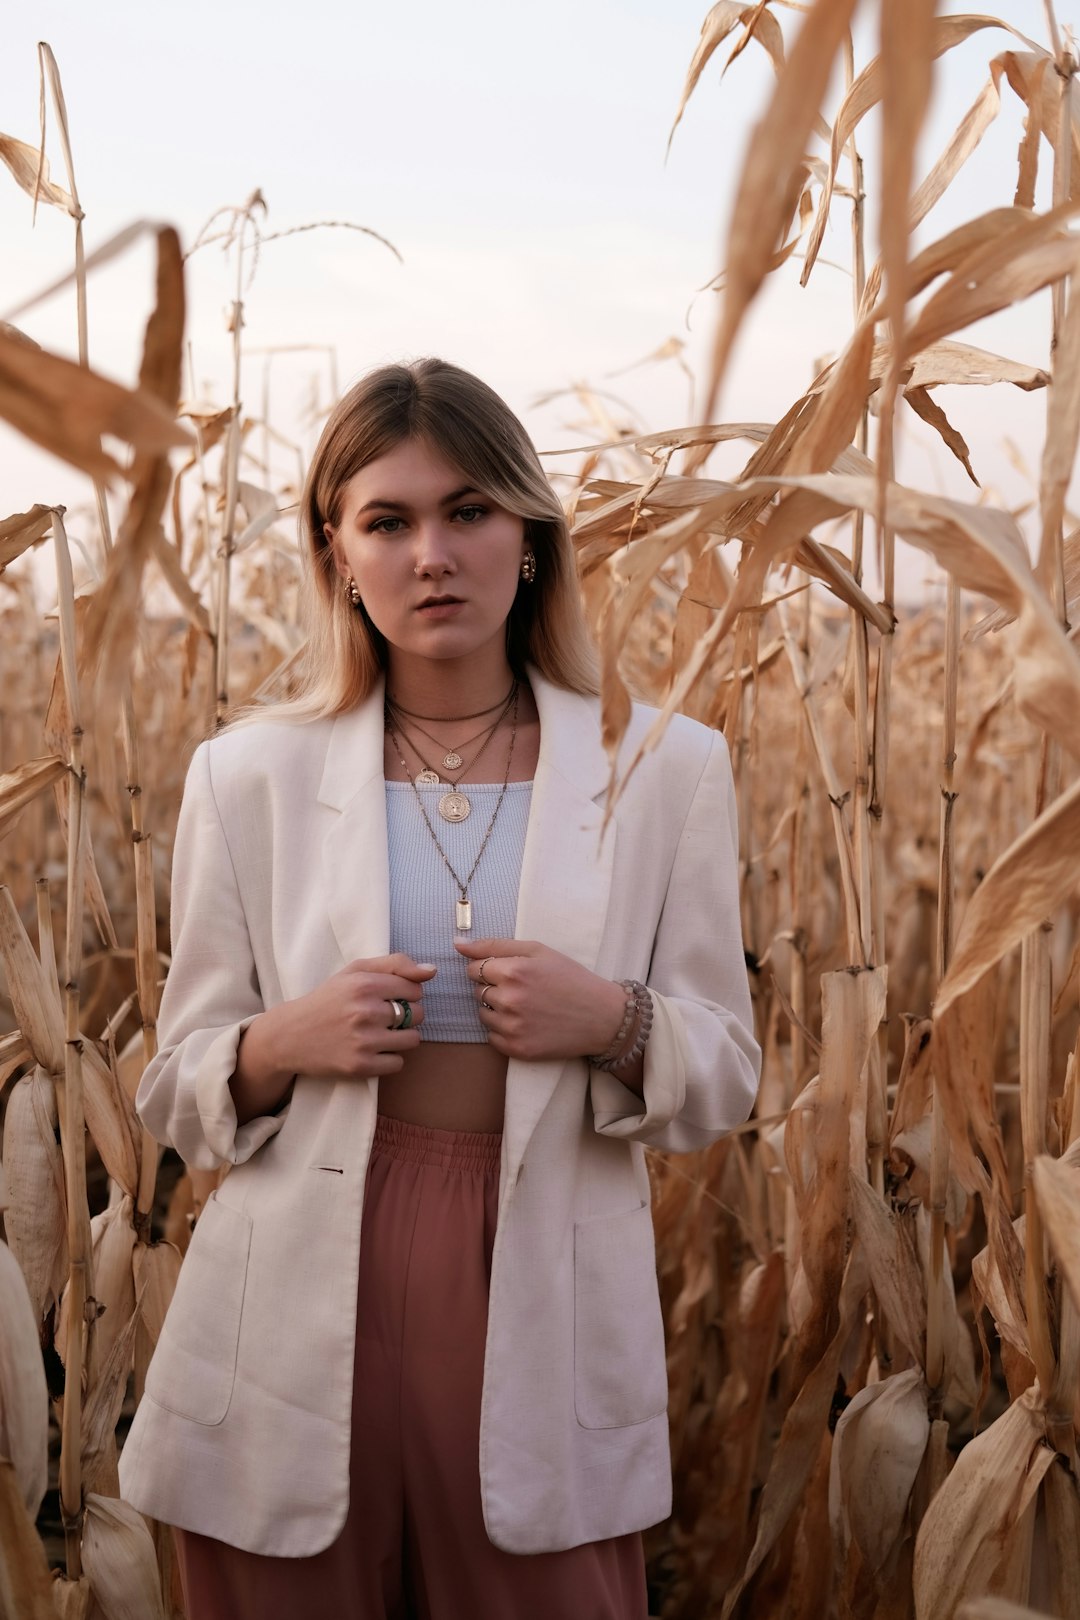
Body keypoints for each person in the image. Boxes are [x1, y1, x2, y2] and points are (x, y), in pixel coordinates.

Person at [118, 358, 760, 1620]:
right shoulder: (243, 777)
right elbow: (171, 1092)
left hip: (538, 1271)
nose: (434, 554)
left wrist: (614, 1021)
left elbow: (724, 1075)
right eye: (389, 521)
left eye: (470, 512)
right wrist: (278, 1041)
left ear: (530, 537)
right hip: (301, 1274)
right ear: (337, 553)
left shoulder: (668, 771)